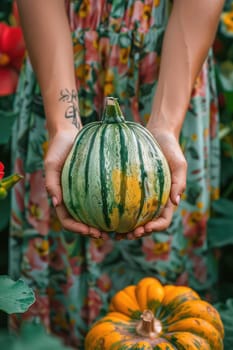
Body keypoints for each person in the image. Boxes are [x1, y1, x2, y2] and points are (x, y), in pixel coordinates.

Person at [10, 0, 224, 348]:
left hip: (169, 66)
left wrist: (166, 126)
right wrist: (63, 125)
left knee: (172, 313)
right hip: (59, 59)